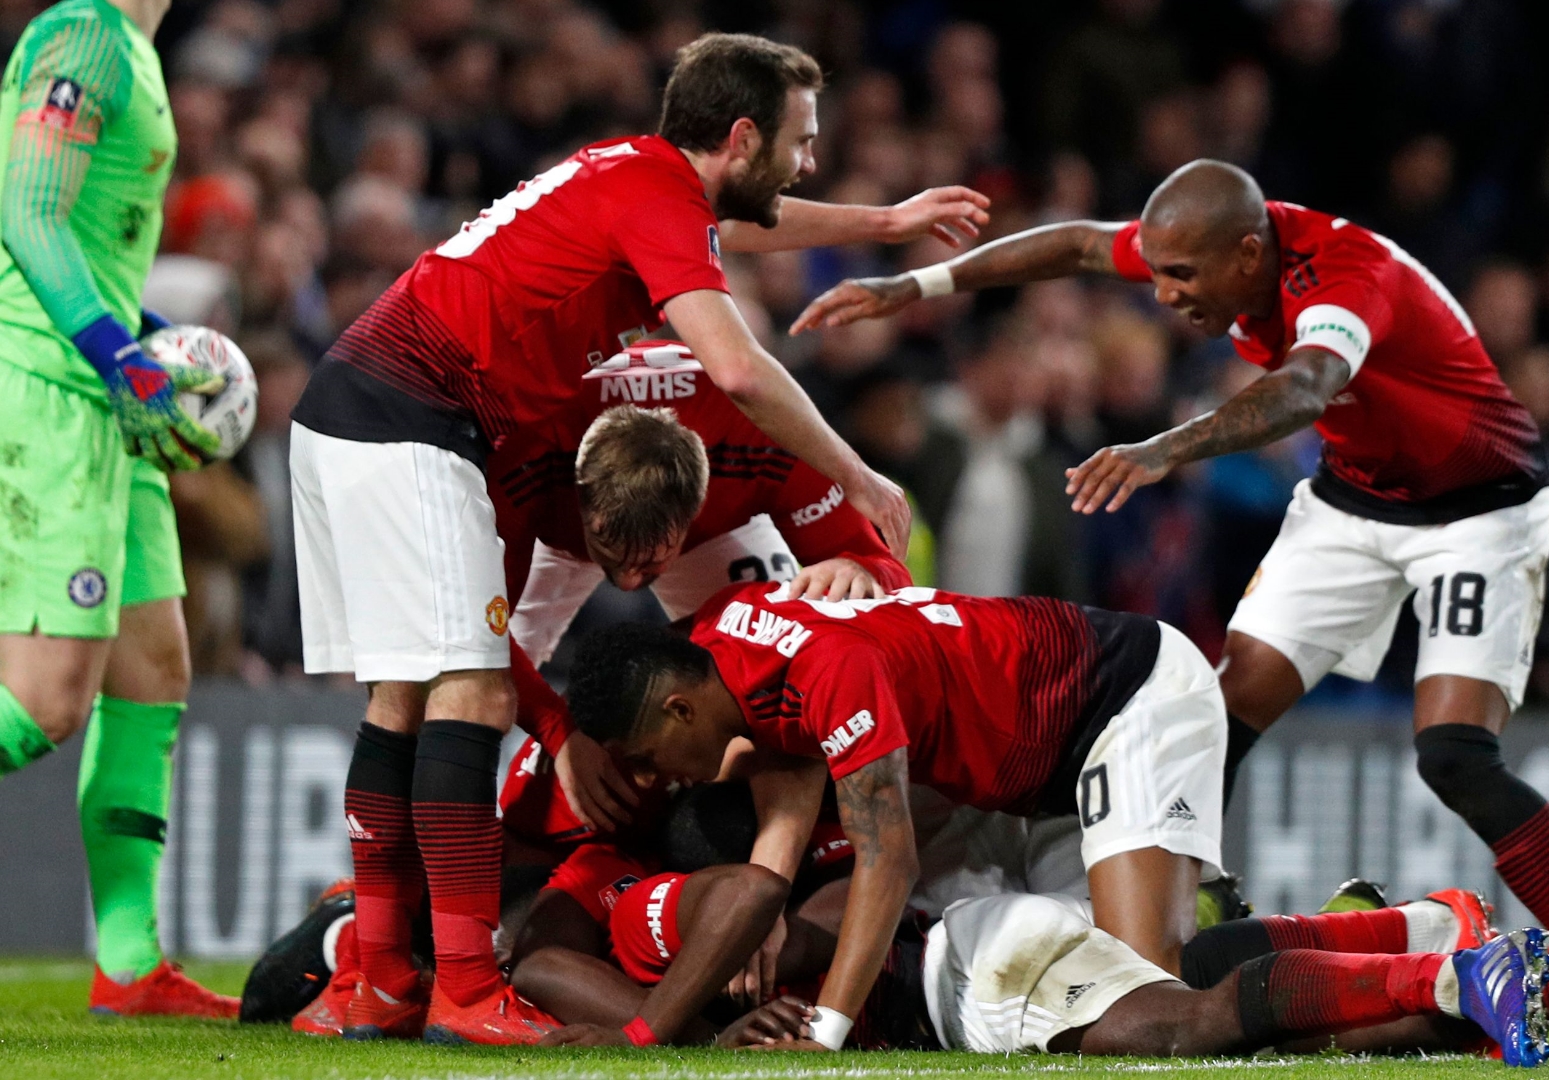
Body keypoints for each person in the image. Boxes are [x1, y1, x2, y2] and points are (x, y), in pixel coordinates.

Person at [793, 158, 1549, 1056]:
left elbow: (1306, 387)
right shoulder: (1207, 238)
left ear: (1249, 253)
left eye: (1183, 278)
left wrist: (1167, 447)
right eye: (1162, 274)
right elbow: (1080, 246)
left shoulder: (1344, 276)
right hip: (1353, 501)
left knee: (1455, 754)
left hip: (1478, 509)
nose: (1167, 295)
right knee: (1221, 710)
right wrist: (917, 282)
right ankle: (1218, 912)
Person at [288, 31, 989, 1045]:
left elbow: (744, 228)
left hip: (355, 402)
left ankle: (385, 976)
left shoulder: (634, 177)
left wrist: (885, 222)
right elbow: (741, 368)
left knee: (403, 694)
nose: (806, 162)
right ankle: (466, 989)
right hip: (420, 412)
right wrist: (855, 470)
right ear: (742, 136)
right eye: (799, 141)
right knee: (477, 689)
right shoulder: (656, 198)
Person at [285, 341, 914, 1036]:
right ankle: (385, 928)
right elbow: (474, 639)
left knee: (777, 672)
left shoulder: (760, 444)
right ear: (585, 507)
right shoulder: (527, 464)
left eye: (654, 561)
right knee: (460, 682)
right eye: (615, 555)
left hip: (702, 519)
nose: (634, 582)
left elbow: (890, 593)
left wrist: (864, 575)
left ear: (697, 508)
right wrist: (559, 736)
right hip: (545, 516)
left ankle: (412, 928)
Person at [564, 579, 1226, 1051]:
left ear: (680, 710)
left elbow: (888, 858)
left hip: (1123, 697)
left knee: (1141, 994)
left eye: (646, 756)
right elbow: (785, 753)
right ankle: (1179, 900)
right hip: (1015, 767)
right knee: (963, 944)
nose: (651, 779)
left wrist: (824, 1033)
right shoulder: (722, 627)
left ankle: (1210, 911)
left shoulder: (831, 674)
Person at [526, 862, 1549, 1068]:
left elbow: (774, 910)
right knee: (1279, 1016)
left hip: (976, 965)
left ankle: (1445, 969)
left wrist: (792, 1009)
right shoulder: (694, 861)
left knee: (1195, 1022)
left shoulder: (671, 896)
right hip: (1002, 925)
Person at [0, 0, 236, 1018]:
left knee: (153, 670)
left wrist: (148, 342)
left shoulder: (130, 45)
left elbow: (82, 243)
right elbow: (23, 209)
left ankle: (131, 964)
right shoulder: (86, 34)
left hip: (109, 397)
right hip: (55, 390)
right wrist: (115, 355)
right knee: (48, 701)